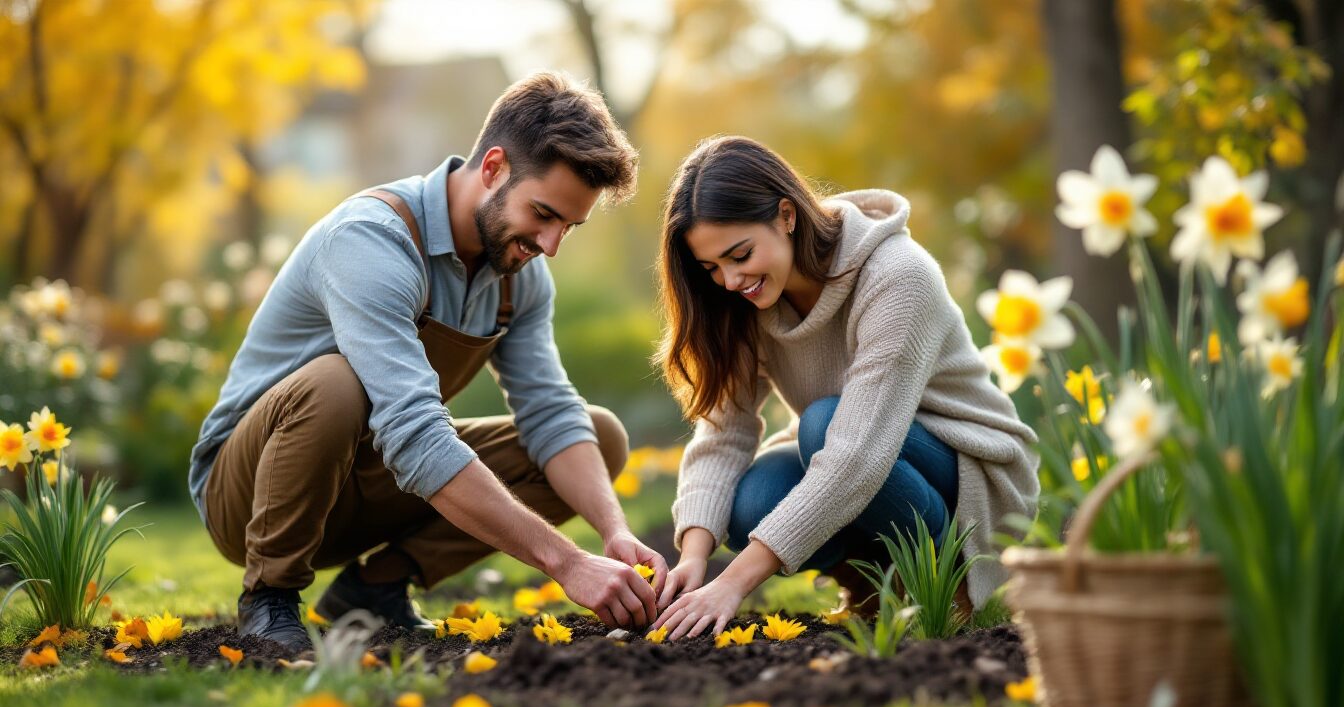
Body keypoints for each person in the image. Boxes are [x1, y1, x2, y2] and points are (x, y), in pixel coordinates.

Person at [189, 72, 666, 652]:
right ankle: (269, 596)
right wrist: (568, 564)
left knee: (597, 435)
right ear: (492, 168)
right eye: (543, 213)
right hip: (249, 493)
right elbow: (415, 432)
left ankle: (376, 587)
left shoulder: (520, 276)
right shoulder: (371, 241)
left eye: (569, 224)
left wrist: (613, 532)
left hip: (367, 480)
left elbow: (550, 411)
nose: (551, 244)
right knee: (335, 385)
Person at [649, 136, 1039, 640]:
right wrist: (694, 557)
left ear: (786, 215)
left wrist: (735, 582)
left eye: (739, 254)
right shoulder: (744, 299)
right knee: (753, 498)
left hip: (968, 471)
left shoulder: (898, 276)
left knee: (823, 425)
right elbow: (724, 431)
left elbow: (857, 453)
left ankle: (949, 578)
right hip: (860, 457)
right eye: (711, 268)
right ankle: (870, 583)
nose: (729, 280)